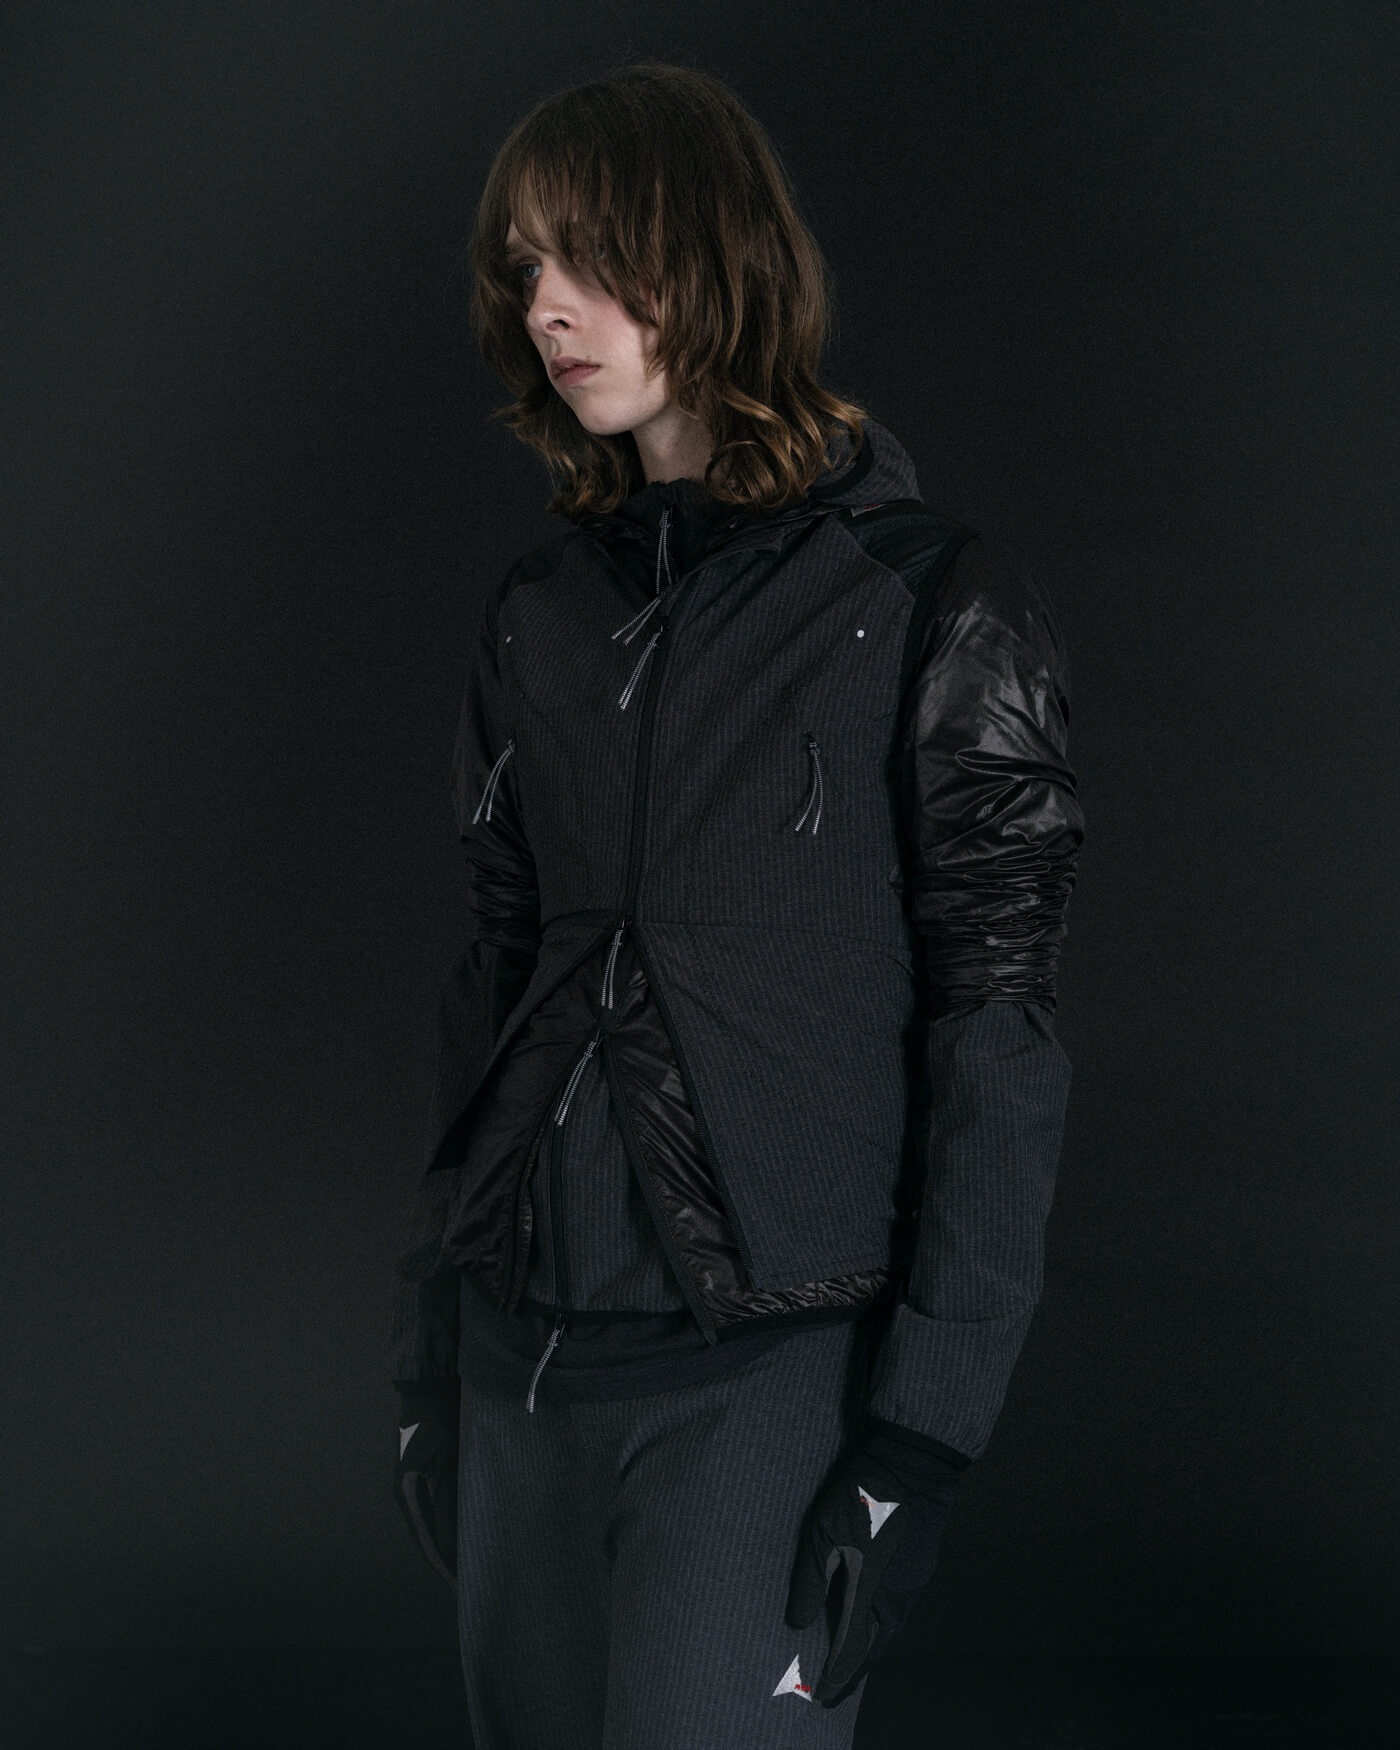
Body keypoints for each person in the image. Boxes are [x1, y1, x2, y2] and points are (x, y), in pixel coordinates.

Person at [388, 60, 1085, 1750]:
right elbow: (497, 979)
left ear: (709, 258)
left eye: (588, 257)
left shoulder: (926, 601)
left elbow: (995, 1033)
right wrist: (430, 1337)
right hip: (519, 1364)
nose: (546, 308)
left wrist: (919, 1440)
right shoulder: (542, 613)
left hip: (760, 1381)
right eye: (526, 270)